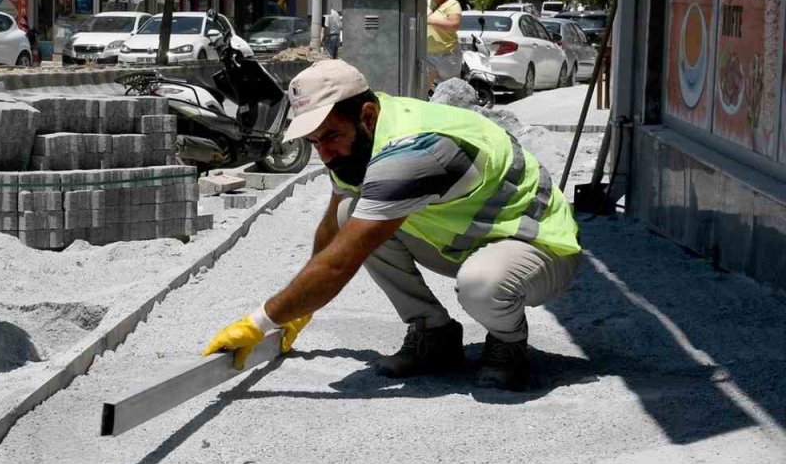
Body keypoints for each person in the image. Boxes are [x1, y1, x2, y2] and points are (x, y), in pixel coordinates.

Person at [201, 58, 582, 390]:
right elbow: (333, 233)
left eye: (330, 136)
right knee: (351, 214)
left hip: (537, 247)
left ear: (366, 115)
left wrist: (260, 321)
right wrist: (301, 308)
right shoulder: (361, 139)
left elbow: (338, 265)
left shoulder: (413, 149)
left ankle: (508, 340)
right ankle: (434, 335)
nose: (326, 152)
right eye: (316, 141)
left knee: (480, 284)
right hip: (469, 241)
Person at [425, 0, 463, 90]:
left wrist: (431, 21)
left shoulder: (453, 4)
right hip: (429, 55)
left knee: (451, 90)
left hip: (448, 56)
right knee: (422, 89)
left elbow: (455, 25)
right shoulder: (427, 2)